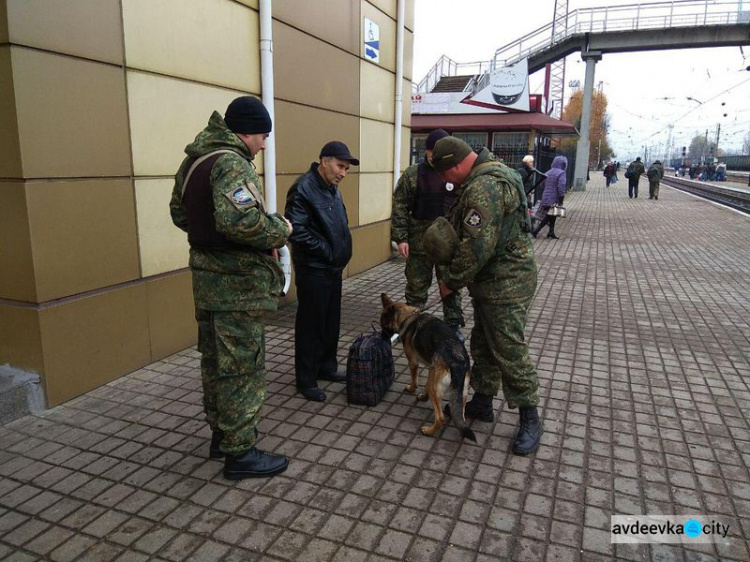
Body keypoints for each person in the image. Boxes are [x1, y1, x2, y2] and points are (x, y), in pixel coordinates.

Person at [170, 96, 292, 480]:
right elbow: (241, 223)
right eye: (262, 135)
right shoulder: (231, 162)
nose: (264, 145)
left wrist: (210, 240)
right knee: (242, 366)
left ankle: (221, 436)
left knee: (215, 363)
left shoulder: (195, 160)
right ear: (246, 131)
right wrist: (281, 230)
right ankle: (240, 454)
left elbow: (179, 213)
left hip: (206, 282)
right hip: (234, 287)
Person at [429, 137, 543, 456]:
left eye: (443, 174)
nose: (444, 181)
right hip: (493, 280)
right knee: (483, 340)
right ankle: (482, 401)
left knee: (508, 347)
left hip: (506, 283)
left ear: (454, 165)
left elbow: (476, 247)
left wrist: (450, 281)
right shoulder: (492, 173)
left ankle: (530, 417)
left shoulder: (484, 188)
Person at [285, 141, 357, 402]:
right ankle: (306, 379)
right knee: (310, 325)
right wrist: (328, 252)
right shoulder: (304, 188)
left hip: (332, 269)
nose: (343, 173)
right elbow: (297, 230)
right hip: (314, 269)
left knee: (330, 322)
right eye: (340, 166)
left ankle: (326, 366)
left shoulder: (332, 189)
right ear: (324, 161)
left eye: (347, 169)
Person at [391, 129, 464, 337]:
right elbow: (400, 206)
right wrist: (401, 238)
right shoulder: (413, 174)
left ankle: (453, 326)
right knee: (416, 288)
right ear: (428, 152)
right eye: (435, 152)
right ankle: (412, 326)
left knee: (450, 286)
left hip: (448, 245)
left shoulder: (455, 172)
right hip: (418, 243)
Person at [532, 155, 568, 240]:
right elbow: (561, 187)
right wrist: (561, 199)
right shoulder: (561, 173)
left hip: (546, 196)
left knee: (553, 214)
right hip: (554, 197)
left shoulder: (548, 172)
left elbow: (542, 184)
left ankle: (551, 232)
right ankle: (536, 231)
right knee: (549, 215)